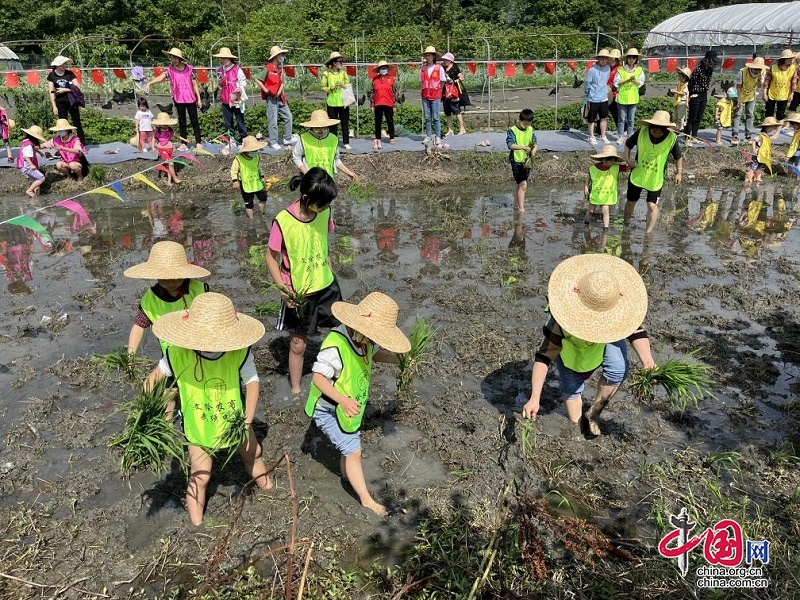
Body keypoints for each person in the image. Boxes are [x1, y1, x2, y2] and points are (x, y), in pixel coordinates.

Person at [147, 292, 272, 526]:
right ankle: (197, 525)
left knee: (253, 454)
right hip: (198, 424)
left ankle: (270, 492)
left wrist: (247, 420)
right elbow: (154, 378)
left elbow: (252, 382)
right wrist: (145, 405)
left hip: (234, 420)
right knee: (201, 474)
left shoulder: (238, 351)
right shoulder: (176, 352)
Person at [522, 253, 655, 437]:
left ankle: (594, 413)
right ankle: (579, 426)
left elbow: (636, 331)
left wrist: (648, 361)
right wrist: (535, 397)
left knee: (618, 369)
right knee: (572, 397)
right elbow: (543, 357)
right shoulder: (562, 318)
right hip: (572, 354)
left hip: (606, 341)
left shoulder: (616, 310)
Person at [305, 292, 410, 517]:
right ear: (359, 326)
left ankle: (346, 474)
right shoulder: (335, 344)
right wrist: (342, 400)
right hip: (328, 407)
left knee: (350, 442)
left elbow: (373, 355)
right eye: (374, 337)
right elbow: (318, 378)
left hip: (349, 405)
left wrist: (399, 359)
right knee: (354, 451)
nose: (375, 342)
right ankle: (366, 500)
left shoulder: (364, 340)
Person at [265, 168, 343, 402]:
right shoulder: (283, 221)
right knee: (298, 344)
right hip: (299, 292)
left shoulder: (324, 212)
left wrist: (330, 267)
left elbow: (323, 240)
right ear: (306, 199)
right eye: (323, 204)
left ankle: (339, 376)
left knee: (341, 331)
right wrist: (283, 290)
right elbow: (271, 257)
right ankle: (297, 391)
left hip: (327, 284)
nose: (326, 208)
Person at [124, 240, 210, 357]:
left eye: (175, 276)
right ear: (155, 275)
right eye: (165, 277)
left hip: (202, 356)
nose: (170, 281)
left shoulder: (200, 292)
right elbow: (139, 325)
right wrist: (130, 356)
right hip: (170, 360)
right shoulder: (151, 300)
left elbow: (217, 321)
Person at [623, 110, 683, 234]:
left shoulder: (672, 139)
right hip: (638, 174)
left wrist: (679, 173)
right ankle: (626, 224)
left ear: (666, 130)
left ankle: (648, 233)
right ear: (650, 126)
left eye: (660, 132)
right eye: (654, 130)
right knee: (630, 202)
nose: (656, 134)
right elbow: (628, 145)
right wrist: (628, 160)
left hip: (655, 178)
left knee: (652, 205)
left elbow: (678, 157)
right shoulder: (642, 133)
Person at [146, 48, 203, 149]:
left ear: (179, 59)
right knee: (182, 121)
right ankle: (183, 143)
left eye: (175, 58)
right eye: (171, 58)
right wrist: (150, 83)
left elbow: (195, 84)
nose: (173, 60)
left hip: (191, 99)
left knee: (194, 121)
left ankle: (198, 142)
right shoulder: (170, 70)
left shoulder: (189, 68)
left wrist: (198, 99)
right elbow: (160, 78)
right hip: (179, 99)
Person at [293, 110, 357, 180]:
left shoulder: (333, 139)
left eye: (323, 127)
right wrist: (307, 173)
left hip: (328, 181)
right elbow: (296, 157)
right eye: (317, 128)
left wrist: (348, 172)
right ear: (311, 126)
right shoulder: (304, 138)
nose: (321, 130)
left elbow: (336, 160)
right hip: (310, 180)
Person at [257, 46, 296, 151]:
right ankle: (273, 141)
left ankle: (287, 138)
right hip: (271, 98)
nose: (282, 57)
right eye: (281, 55)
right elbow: (258, 79)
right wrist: (265, 89)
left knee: (288, 116)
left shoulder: (279, 69)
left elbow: (282, 82)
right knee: (273, 120)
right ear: (276, 56)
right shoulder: (267, 68)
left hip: (280, 97)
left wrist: (280, 91)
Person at [584, 144, 626, 230]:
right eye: (607, 160)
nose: (609, 163)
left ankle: (606, 229)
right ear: (602, 159)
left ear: (614, 160)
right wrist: (585, 186)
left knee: (605, 211)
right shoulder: (593, 168)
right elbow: (589, 177)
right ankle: (586, 224)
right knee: (591, 211)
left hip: (607, 194)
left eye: (611, 161)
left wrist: (635, 162)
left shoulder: (616, 167)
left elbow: (629, 167)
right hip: (596, 193)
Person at [47, 55, 85, 145]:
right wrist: (54, 106)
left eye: (65, 64)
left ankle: (81, 142)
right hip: (60, 102)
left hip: (72, 101)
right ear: (57, 65)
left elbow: (78, 87)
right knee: (63, 124)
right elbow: (51, 91)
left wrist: (65, 90)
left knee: (77, 122)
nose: (64, 65)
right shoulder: (51, 75)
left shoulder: (69, 73)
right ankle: (67, 143)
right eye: (62, 64)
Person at [506, 108, 538, 213]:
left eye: (528, 124)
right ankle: (521, 209)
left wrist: (533, 152)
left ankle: (516, 205)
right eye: (524, 124)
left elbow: (535, 143)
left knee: (520, 184)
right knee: (523, 184)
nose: (526, 126)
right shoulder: (513, 130)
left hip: (526, 162)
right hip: (516, 161)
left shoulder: (531, 129)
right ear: (519, 120)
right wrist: (524, 148)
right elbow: (510, 145)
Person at [214, 47, 248, 143]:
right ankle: (231, 140)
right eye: (222, 58)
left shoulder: (237, 69)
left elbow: (243, 81)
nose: (223, 60)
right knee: (228, 120)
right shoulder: (220, 70)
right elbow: (220, 86)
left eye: (225, 58)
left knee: (240, 118)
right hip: (225, 97)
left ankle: (244, 138)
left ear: (230, 58)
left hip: (237, 97)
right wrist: (220, 82)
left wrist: (240, 88)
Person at [231, 135, 269, 219]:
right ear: (247, 150)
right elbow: (233, 171)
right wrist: (235, 181)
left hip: (256, 182)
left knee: (263, 198)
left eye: (256, 150)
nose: (255, 151)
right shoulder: (238, 159)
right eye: (253, 150)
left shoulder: (256, 157)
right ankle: (251, 220)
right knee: (249, 204)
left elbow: (259, 167)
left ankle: (262, 215)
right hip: (246, 185)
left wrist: (262, 176)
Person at [684, 50, 717, 142]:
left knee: (698, 117)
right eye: (712, 61)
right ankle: (687, 138)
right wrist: (692, 94)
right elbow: (691, 83)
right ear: (708, 59)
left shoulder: (710, 70)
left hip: (703, 95)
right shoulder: (698, 69)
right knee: (692, 118)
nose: (713, 63)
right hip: (695, 94)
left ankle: (694, 137)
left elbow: (707, 82)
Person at [614, 48, 645, 145]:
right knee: (621, 119)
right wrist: (627, 81)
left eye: (634, 58)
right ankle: (620, 136)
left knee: (631, 119)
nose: (631, 60)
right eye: (630, 58)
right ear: (627, 59)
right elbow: (616, 83)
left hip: (633, 98)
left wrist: (633, 80)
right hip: (622, 98)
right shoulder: (620, 70)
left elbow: (640, 83)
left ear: (636, 59)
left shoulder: (639, 70)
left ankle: (630, 136)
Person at [321, 52, 352, 150]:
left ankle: (346, 142)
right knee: (333, 124)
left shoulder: (343, 73)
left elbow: (348, 85)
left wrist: (342, 85)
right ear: (334, 63)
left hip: (343, 102)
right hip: (332, 103)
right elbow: (323, 87)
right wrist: (331, 88)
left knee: (345, 123)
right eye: (340, 61)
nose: (341, 63)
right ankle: (333, 142)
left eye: (342, 61)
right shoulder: (326, 74)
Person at [734, 57, 767, 144]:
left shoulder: (762, 72)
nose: (757, 71)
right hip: (740, 93)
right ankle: (735, 135)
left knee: (750, 114)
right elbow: (738, 87)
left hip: (751, 95)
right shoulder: (742, 72)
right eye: (755, 69)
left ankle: (748, 135)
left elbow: (759, 86)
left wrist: (759, 78)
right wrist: (739, 99)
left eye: (759, 69)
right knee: (738, 114)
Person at [584, 49, 612, 145]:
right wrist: (587, 94)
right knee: (591, 118)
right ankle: (591, 136)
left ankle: (603, 136)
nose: (604, 60)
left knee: (604, 118)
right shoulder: (592, 70)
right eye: (602, 58)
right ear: (598, 59)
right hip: (593, 98)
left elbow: (606, 81)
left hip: (603, 97)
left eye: (605, 58)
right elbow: (587, 83)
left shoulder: (608, 69)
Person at [420, 46, 446, 145]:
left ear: (433, 56)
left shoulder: (439, 68)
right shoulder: (423, 68)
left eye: (430, 55)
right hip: (425, 95)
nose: (428, 57)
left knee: (435, 117)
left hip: (435, 95)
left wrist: (439, 91)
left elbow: (442, 81)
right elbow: (421, 81)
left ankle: (438, 136)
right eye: (426, 55)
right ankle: (428, 136)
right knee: (427, 117)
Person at [762, 49, 798, 122]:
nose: (790, 60)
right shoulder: (773, 68)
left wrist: (792, 94)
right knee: (769, 112)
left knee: (780, 113)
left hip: (784, 94)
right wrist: (764, 93)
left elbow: (793, 82)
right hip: (771, 93)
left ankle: (778, 130)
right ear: (783, 59)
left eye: (791, 58)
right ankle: (767, 128)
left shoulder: (793, 68)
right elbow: (767, 81)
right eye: (788, 58)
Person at [369, 61, 397, 150]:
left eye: (385, 68)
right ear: (379, 70)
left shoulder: (392, 79)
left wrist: (395, 105)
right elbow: (372, 93)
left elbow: (395, 93)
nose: (383, 70)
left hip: (389, 103)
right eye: (381, 68)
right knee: (378, 122)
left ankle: (392, 137)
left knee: (390, 120)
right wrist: (372, 105)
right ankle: (378, 138)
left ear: (387, 69)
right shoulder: (375, 79)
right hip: (378, 103)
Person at [440, 52, 468, 136]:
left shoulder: (455, 68)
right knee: (447, 110)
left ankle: (462, 128)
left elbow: (461, 77)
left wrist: (454, 81)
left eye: (446, 60)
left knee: (456, 109)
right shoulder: (443, 68)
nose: (444, 61)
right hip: (445, 91)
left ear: (450, 61)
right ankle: (450, 129)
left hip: (453, 91)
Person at [745, 117, 780, 183]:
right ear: (766, 127)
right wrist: (754, 149)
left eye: (773, 127)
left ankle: (757, 178)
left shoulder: (768, 136)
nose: (772, 129)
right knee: (754, 166)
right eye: (771, 127)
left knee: (760, 166)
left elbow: (774, 138)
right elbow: (754, 141)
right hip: (757, 154)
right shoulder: (760, 135)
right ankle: (748, 178)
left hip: (763, 155)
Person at [16, 125, 48, 198]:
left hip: (24, 165)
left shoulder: (28, 141)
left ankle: (36, 199)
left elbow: (33, 148)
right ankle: (29, 191)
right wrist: (31, 164)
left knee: (36, 181)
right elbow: (26, 156)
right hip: (26, 165)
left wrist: (39, 152)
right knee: (41, 178)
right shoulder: (28, 144)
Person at [152, 112, 182, 185]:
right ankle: (174, 178)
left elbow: (176, 136)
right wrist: (153, 146)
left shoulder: (170, 130)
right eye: (162, 124)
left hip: (169, 148)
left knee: (169, 165)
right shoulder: (157, 131)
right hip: (162, 149)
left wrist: (184, 139)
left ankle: (169, 181)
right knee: (171, 163)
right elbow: (154, 138)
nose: (164, 125)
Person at [670, 67, 691, 134]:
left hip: (682, 102)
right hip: (677, 101)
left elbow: (684, 93)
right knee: (675, 116)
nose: (679, 77)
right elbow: (677, 90)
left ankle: (680, 129)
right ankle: (677, 128)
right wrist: (673, 91)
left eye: (680, 76)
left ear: (684, 77)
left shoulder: (687, 84)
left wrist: (676, 92)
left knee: (680, 117)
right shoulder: (679, 83)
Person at [607, 49, 622, 131]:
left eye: (613, 58)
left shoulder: (619, 68)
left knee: (616, 113)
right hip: (606, 92)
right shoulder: (609, 67)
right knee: (602, 113)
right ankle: (599, 130)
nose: (611, 60)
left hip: (614, 93)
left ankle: (624, 129)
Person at [784, 112, 800, 178]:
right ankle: (789, 175)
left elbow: (794, 145)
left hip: (797, 151)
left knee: (797, 164)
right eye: (791, 124)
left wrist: (788, 155)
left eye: (793, 124)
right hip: (794, 151)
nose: (792, 126)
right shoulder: (796, 131)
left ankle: (797, 177)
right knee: (790, 163)